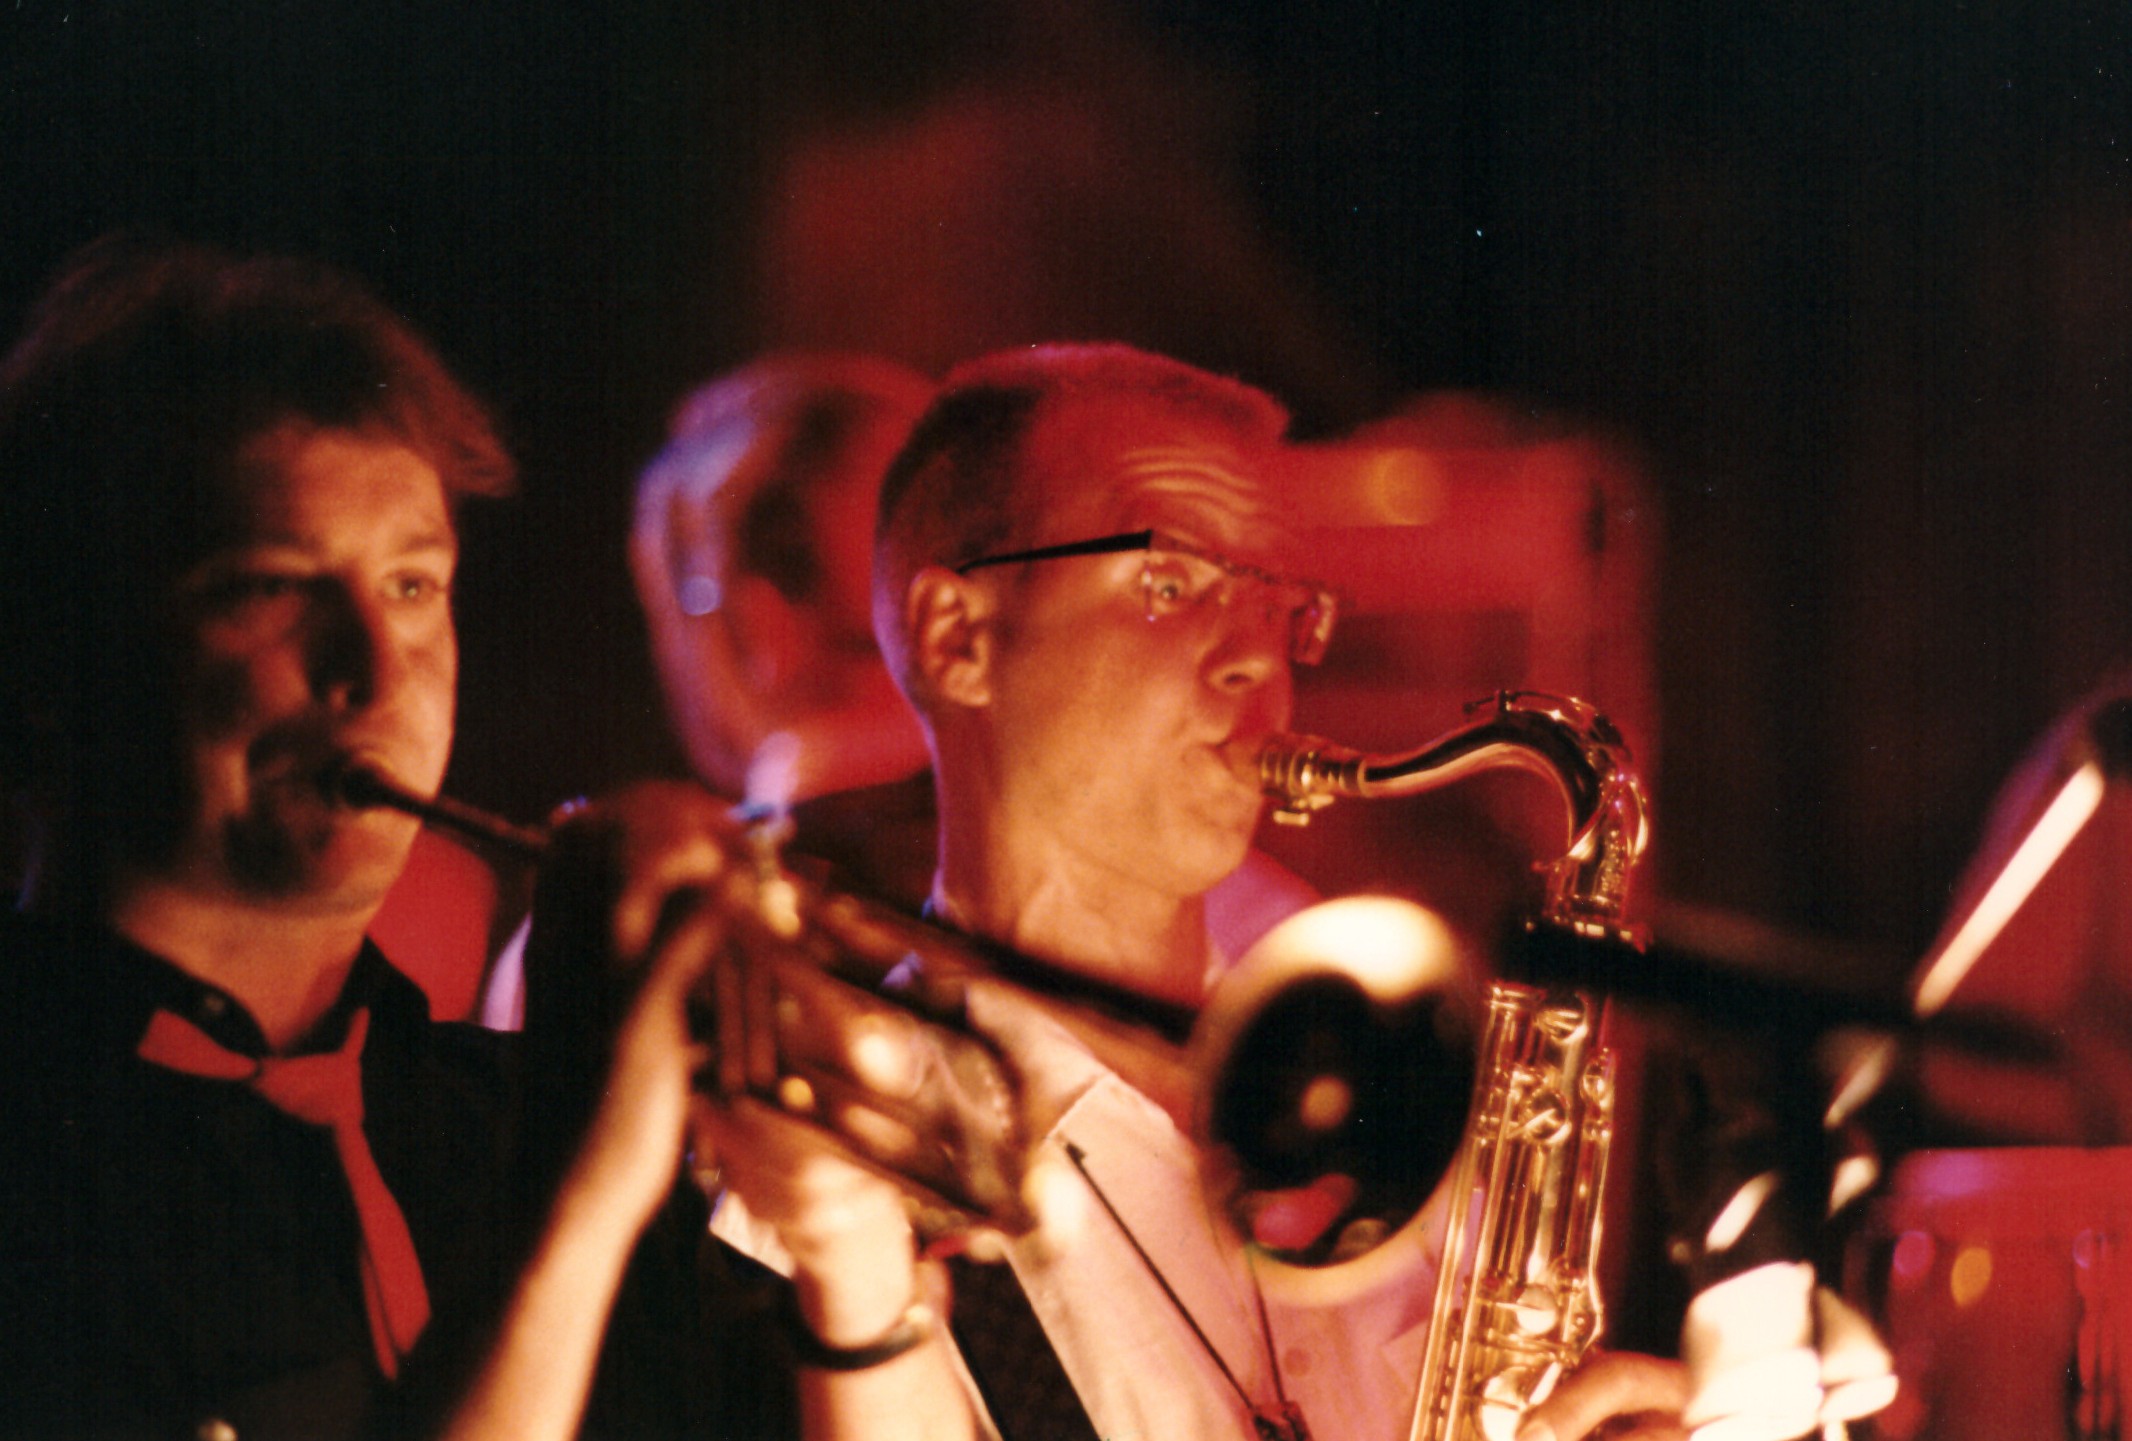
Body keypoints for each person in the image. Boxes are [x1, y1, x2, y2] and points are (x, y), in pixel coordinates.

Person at [0, 238, 971, 1441]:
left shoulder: (492, 1116)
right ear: (57, 656)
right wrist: (575, 1184)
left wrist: (845, 1248)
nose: (374, 670)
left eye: (414, 587)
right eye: (267, 587)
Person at [692, 343, 1689, 1440]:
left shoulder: (1392, 1094)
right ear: (957, 638)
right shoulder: (833, 1179)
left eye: (1282, 606)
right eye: (1169, 581)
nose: (1256, 660)